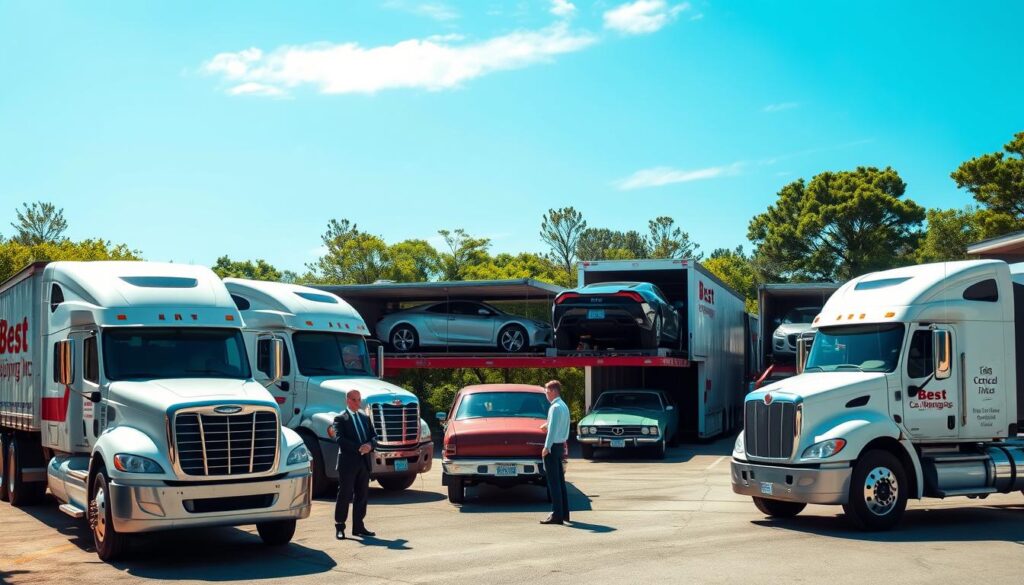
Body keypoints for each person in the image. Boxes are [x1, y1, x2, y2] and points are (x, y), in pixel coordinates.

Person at [333, 389, 377, 540]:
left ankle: (358, 527)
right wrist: (360, 447)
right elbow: (340, 439)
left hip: (364, 462)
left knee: (362, 495)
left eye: (359, 399)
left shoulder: (365, 417)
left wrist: (370, 445)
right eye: (354, 400)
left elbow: (374, 437)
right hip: (348, 463)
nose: (358, 403)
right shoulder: (340, 418)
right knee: (344, 495)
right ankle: (340, 527)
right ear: (347, 400)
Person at [539, 380, 571, 525]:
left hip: (553, 447)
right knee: (560, 482)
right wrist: (547, 424)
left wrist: (546, 447)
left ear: (553, 391)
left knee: (554, 483)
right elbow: (557, 424)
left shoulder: (554, 407)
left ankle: (556, 515)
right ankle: (564, 513)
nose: (546, 394)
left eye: (546, 391)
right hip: (559, 445)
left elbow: (552, 431)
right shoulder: (562, 406)